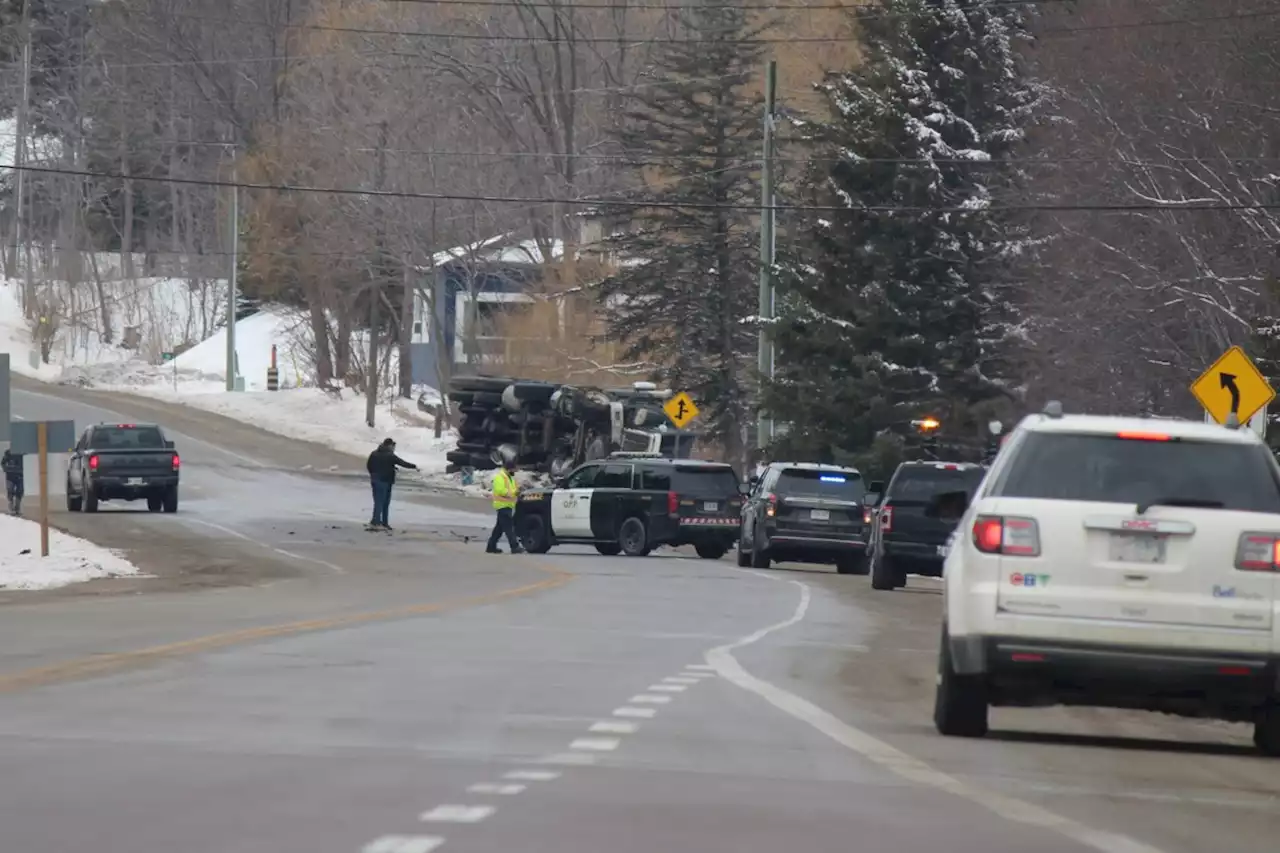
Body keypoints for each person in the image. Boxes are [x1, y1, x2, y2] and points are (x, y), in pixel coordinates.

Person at [366, 438, 417, 531]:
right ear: (390, 446)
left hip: (376, 480)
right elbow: (402, 462)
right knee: (384, 503)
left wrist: (374, 474)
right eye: (393, 446)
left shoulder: (374, 454)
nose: (394, 448)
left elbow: (369, 466)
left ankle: (378, 521)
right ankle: (379, 522)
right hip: (386, 481)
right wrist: (414, 466)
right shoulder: (390, 455)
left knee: (378, 501)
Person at [486, 453, 523, 554]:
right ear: (509, 469)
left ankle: (491, 546)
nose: (515, 471)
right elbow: (500, 490)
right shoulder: (500, 477)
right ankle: (514, 546)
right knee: (509, 528)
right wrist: (514, 493)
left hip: (508, 505)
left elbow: (512, 489)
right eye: (514, 469)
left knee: (499, 528)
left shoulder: (509, 477)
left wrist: (518, 490)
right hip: (502, 505)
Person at [2, 449, 23, 516]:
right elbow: (3, 463)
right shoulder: (8, 453)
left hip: (20, 476)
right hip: (10, 476)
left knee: (19, 491)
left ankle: (17, 508)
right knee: (10, 491)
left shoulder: (22, 453)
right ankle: (11, 508)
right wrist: (6, 469)